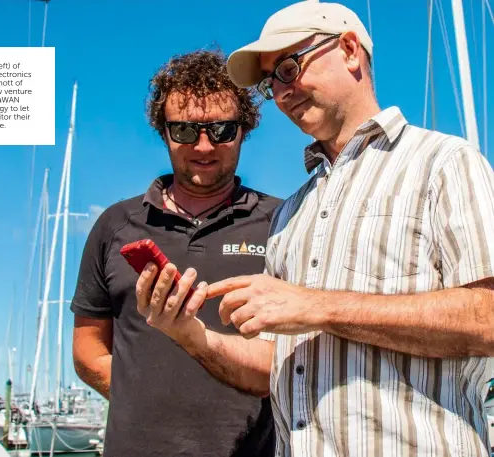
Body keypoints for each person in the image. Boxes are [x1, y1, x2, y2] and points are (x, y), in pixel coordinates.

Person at [135, 2, 494, 457]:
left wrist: (317, 306)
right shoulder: (292, 214)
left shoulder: (444, 163)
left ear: (348, 50)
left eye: (289, 67)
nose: (282, 92)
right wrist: (188, 333)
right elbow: (273, 368)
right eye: (272, 82)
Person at [70, 49, 281, 457]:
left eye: (221, 130)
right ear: (163, 132)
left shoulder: (285, 222)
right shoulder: (115, 225)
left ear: (244, 131)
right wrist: (141, 398)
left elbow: (301, 357)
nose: (203, 146)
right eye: (184, 131)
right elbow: (88, 350)